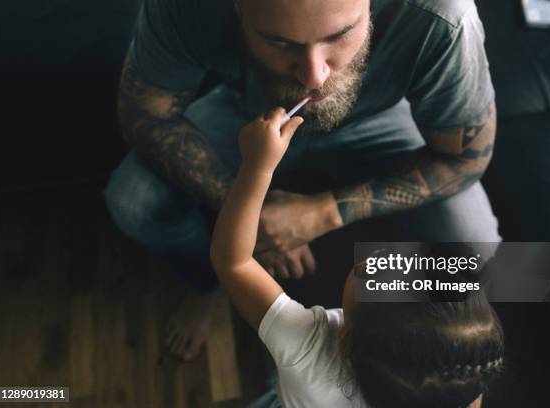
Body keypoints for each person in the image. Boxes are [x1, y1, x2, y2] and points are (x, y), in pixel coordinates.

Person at [104, 0, 501, 361]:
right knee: (132, 200)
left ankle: (369, 318)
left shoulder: (444, 16)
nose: (314, 76)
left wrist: (323, 213)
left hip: (380, 123)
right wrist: (247, 213)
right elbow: (144, 115)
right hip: (247, 119)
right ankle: (208, 283)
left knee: (477, 242)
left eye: (340, 35)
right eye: (279, 42)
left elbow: (467, 158)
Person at [210, 107, 505, 407]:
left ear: (351, 336)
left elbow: (234, 262)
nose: (382, 254)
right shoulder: (454, 379)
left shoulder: (307, 347)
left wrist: (256, 168)